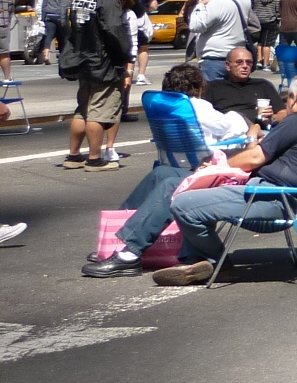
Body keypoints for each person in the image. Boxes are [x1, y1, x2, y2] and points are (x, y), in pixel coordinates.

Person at [157, 73, 297, 286]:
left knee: (183, 203)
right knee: (199, 191)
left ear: (293, 97)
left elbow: (253, 158)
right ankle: (194, 260)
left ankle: (217, 262)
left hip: (270, 199)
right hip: (289, 201)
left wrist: (223, 163)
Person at [81, 64, 256, 278]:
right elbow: (233, 127)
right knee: (161, 176)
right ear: (198, 86)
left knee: (164, 178)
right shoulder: (197, 106)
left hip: (181, 166)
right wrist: (244, 119)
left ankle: (129, 250)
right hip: (202, 169)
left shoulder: (162, 106)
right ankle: (126, 251)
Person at [58, 0, 134, 173]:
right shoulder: (108, 0)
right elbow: (115, 32)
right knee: (99, 112)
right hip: (104, 64)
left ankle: (73, 155)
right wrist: (125, 57)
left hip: (83, 60)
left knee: (83, 109)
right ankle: (94, 158)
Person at [187, 0, 253, 83]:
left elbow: (195, 26)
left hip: (214, 59)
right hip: (236, 57)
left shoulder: (217, 3)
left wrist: (200, 5)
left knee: (212, 96)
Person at [204, 47, 284, 123]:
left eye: (248, 62)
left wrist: (272, 118)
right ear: (228, 66)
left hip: (261, 130)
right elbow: (203, 115)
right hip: (227, 131)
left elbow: (284, 113)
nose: (245, 66)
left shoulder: (263, 85)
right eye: (239, 62)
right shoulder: (214, 87)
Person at [37, 0, 74, 66]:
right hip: (59, 16)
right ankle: (63, 57)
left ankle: (46, 54)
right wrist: (63, 20)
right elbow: (63, 6)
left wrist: (43, 17)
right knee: (64, 37)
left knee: (49, 36)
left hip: (49, 16)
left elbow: (44, 4)